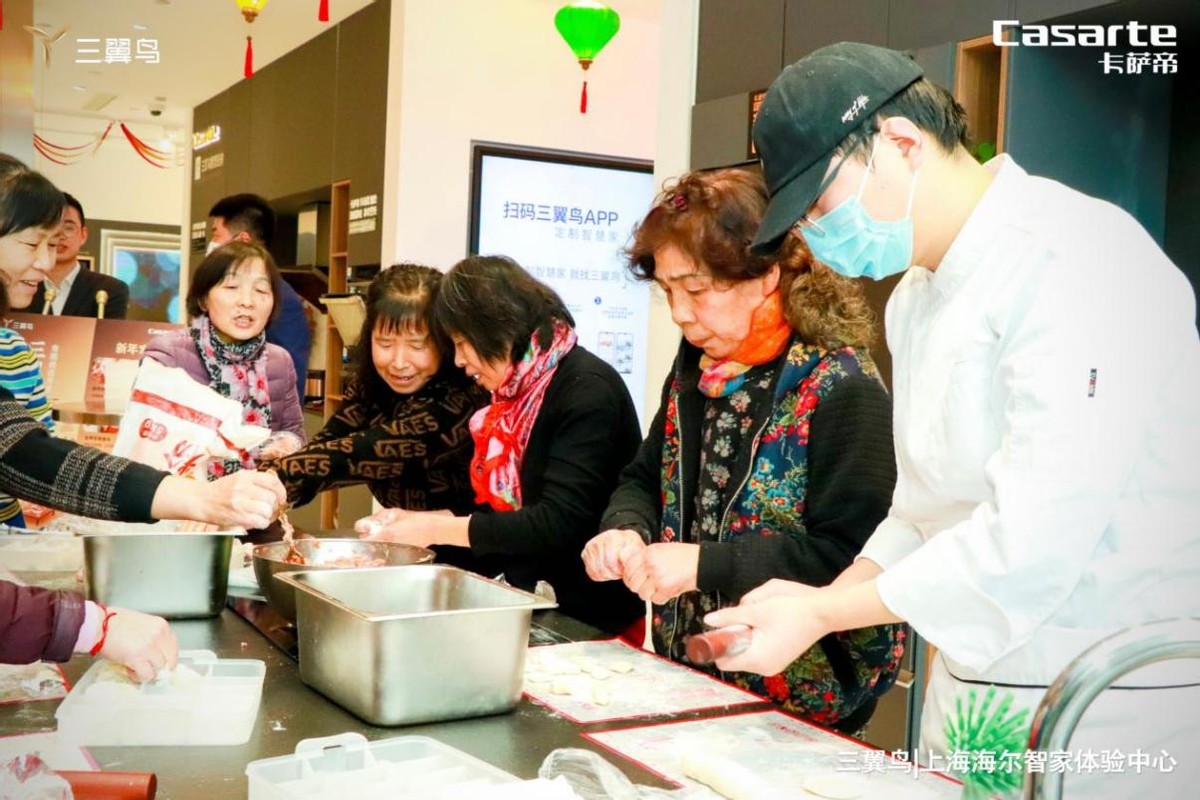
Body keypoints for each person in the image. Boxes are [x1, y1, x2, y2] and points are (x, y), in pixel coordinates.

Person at [703, 42, 1200, 796]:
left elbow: (1030, 537)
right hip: (973, 691)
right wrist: (816, 603)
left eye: (818, 203)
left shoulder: (1075, 259)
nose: (815, 231)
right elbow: (921, 511)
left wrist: (827, 611)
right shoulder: (916, 299)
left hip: (1105, 706)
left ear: (900, 144)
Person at [581, 169, 902, 733]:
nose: (681, 313)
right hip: (697, 676)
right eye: (669, 292)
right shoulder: (699, 368)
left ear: (766, 275)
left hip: (805, 702)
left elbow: (858, 556)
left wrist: (703, 564)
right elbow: (645, 475)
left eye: (698, 290)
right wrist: (625, 528)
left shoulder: (841, 383)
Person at [0, 155, 287, 679]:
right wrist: (92, 626)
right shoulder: (170, 349)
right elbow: (26, 455)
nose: (47, 261)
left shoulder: (278, 362)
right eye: (31, 243)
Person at [355, 255, 644, 637]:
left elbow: (557, 521)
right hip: (533, 601)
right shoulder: (517, 391)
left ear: (494, 327)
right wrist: (427, 519)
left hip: (590, 618)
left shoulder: (586, 389)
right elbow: (504, 505)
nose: (458, 360)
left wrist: (433, 529)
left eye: (462, 343)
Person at [268, 263, 488, 514]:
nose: (399, 362)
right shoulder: (371, 386)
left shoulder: (461, 401)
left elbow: (359, 454)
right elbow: (331, 442)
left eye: (416, 347)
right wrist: (269, 483)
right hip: (407, 546)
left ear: (444, 342)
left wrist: (277, 474)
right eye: (385, 344)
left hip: (471, 550)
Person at [141, 241, 306, 478]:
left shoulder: (279, 360)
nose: (247, 301)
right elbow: (149, 439)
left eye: (260, 291)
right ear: (203, 299)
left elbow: (294, 432)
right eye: (231, 287)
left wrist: (285, 446)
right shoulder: (168, 353)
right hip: (181, 505)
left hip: (253, 503)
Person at [209, 193, 311, 402]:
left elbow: (288, 383)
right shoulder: (216, 290)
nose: (211, 244)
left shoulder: (283, 299)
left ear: (243, 240)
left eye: (216, 235)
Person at [31, 193, 129, 318]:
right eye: (51, 226)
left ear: (83, 235)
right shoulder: (19, 285)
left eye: (68, 228)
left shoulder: (110, 290)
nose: (59, 236)